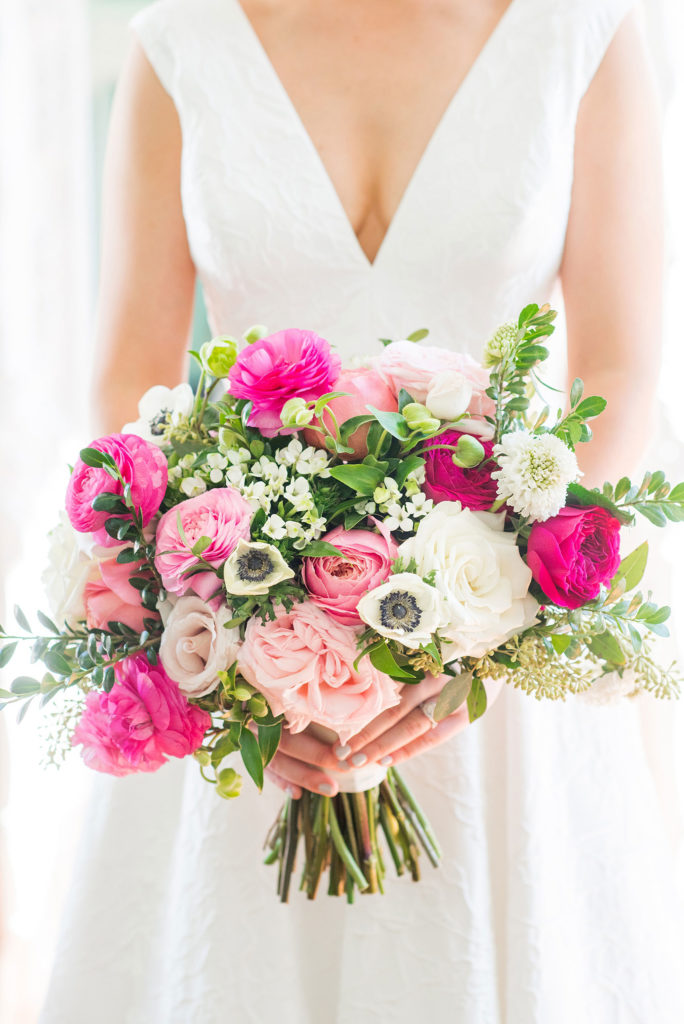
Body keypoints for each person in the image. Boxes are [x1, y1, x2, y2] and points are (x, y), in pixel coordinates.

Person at [40, 0, 684, 1021]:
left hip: (495, 665)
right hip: (249, 655)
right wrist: (240, 658)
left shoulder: (582, 33)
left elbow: (620, 375)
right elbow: (130, 374)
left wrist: (483, 621)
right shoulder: (182, 40)